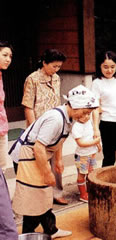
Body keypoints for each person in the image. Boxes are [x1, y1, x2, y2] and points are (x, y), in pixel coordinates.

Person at [11, 84, 99, 238]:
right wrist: (47, 173)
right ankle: (28, 235)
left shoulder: (70, 118)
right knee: (34, 199)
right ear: (75, 106)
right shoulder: (55, 119)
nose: (86, 117)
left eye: (89, 114)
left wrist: (58, 160)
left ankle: (51, 229)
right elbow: (39, 147)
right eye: (85, 113)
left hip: (39, 155)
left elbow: (58, 141)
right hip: (26, 156)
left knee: (44, 195)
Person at [20, 48, 68, 205]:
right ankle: (40, 195)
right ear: (44, 63)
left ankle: (57, 192)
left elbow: (57, 102)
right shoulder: (32, 79)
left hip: (55, 124)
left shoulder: (57, 79)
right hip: (39, 125)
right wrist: (32, 128)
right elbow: (28, 106)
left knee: (57, 160)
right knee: (39, 161)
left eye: (59, 67)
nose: (56, 70)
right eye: (54, 66)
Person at [0, 40, 18, 239]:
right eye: (5, 54)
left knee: (1, 173)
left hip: (2, 131)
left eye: (10, 56)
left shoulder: (1, 75)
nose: (8, 59)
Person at [71, 114, 101, 203]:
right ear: (76, 116)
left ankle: (90, 190)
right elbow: (80, 143)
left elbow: (92, 135)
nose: (87, 117)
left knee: (90, 171)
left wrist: (98, 144)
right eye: (83, 115)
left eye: (88, 114)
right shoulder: (76, 127)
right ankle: (83, 194)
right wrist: (94, 142)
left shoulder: (89, 122)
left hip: (91, 153)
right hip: (82, 155)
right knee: (82, 173)